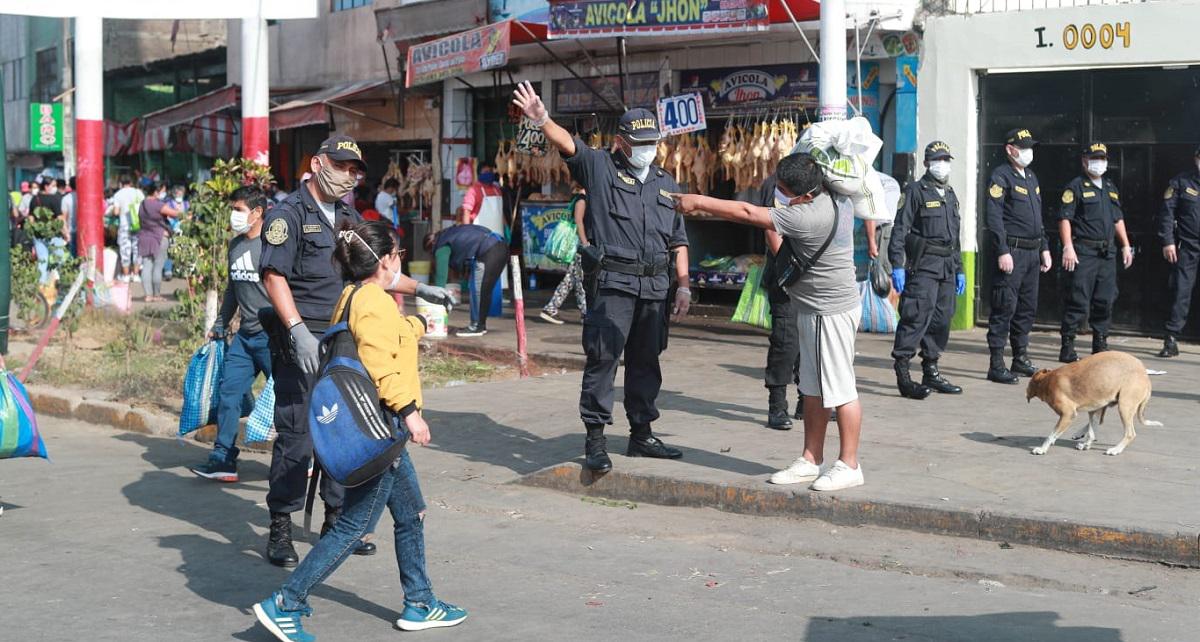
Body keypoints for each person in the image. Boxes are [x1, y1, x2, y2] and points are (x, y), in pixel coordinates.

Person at [252, 220, 467, 641]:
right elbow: (381, 366)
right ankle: (287, 602)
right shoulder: (374, 301)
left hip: (378, 428)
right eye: (398, 255)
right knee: (353, 526)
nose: (398, 261)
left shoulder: (354, 295)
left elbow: (386, 340)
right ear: (386, 260)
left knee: (411, 513)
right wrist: (410, 414)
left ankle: (420, 602)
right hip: (381, 427)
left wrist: (421, 323)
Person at [258, 135, 459, 568]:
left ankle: (336, 520)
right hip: (302, 340)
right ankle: (281, 525)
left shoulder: (350, 218)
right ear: (317, 163)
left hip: (345, 341)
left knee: (345, 432)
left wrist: (421, 287)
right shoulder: (288, 215)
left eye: (355, 169)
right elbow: (273, 276)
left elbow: (377, 273)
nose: (349, 174)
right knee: (298, 436)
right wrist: (296, 330)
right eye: (342, 165)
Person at [513, 81, 692, 472]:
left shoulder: (665, 183)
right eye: (640, 142)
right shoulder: (600, 168)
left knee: (647, 363)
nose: (648, 149)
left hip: (656, 289)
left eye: (652, 141)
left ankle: (641, 436)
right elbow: (568, 145)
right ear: (620, 142)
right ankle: (595, 440)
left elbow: (678, 239)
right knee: (603, 361)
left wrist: (683, 285)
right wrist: (542, 118)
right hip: (613, 286)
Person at [674, 154, 865, 492]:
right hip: (813, 308)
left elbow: (747, 213)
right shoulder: (836, 194)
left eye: (783, 190)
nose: (778, 193)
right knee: (812, 387)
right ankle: (810, 458)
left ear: (805, 195)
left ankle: (850, 464)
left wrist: (699, 201)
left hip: (829, 312)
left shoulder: (807, 216)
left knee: (840, 389)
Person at [190, 186, 274, 482]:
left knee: (289, 401)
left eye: (238, 209)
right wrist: (221, 323)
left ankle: (305, 458)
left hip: (274, 338)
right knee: (229, 394)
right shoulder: (235, 245)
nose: (233, 215)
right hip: (245, 337)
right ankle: (223, 458)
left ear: (257, 212)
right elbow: (232, 291)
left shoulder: (272, 246)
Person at [889, 141, 966, 400]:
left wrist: (959, 269)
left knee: (942, 319)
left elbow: (954, 237)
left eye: (946, 159)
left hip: (946, 265)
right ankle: (903, 374)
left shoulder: (951, 194)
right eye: (937, 159)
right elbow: (900, 229)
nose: (942, 164)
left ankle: (930, 370)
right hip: (923, 265)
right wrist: (897, 265)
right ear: (926, 164)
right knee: (916, 317)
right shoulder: (915, 191)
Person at [984, 128, 1052, 384]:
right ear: (1010, 149)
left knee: (1027, 308)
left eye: (1029, 147)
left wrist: (1044, 247)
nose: (1027, 151)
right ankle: (996, 363)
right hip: (1012, 251)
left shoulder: (1031, 177)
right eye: (1023, 147)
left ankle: (1020, 357)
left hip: (1033, 252)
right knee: (1005, 307)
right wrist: (1002, 250)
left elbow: (1038, 219)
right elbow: (994, 217)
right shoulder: (1001, 176)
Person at [1057, 142, 1134, 362]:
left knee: (1106, 299)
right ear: (1084, 161)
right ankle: (1067, 345)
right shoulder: (1076, 187)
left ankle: (1100, 344)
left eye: (1102, 159)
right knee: (1078, 299)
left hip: (1107, 253)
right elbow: (1065, 218)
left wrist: (1126, 245)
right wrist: (1068, 247)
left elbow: (1117, 219)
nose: (1098, 162)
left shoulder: (1110, 187)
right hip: (1084, 251)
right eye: (1094, 158)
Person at [758, 175, 802, 430]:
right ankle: (777, 405)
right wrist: (790, 267)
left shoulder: (817, 183)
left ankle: (807, 402)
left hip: (812, 277)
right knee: (786, 341)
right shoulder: (778, 185)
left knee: (809, 342)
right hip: (786, 275)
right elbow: (772, 229)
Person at [1156, 145, 1200, 358]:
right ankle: (1171, 339)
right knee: (1181, 292)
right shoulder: (1181, 182)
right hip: (1188, 246)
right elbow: (1166, 214)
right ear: (1196, 158)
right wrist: (1168, 242)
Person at [425, 223, 507, 337]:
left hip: (489, 250)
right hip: (499, 246)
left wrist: (436, 300)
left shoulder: (441, 244)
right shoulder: (451, 232)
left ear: (431, 244)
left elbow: (441, 277)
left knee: (479, 289)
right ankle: (480, 325)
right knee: (480, 289)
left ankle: (476, 326)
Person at [540, 185, 589, 324]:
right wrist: (585, 243)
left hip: (578, 246)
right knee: (579, 280)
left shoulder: (579, 199)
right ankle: (585, 313)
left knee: (571, 279)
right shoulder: (581, 200)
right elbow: (579, 222)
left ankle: (551, 308)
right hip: (578, 246)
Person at [135, 181, 179, 302]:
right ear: (155, 192)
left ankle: (148, 295)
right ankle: (156, 295)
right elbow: (175, 214)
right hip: (159, 238)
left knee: (146, 266)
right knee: (158, 267)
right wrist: (179, 209)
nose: (163, 193)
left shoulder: (142, 204)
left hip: (144, 237)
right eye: (162, 191)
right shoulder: (157, 204)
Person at [110, 176, 143, 282]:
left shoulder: (118, 194)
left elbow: (115, 212)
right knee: (137, 249)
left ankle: (126, 275)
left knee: (125, 250)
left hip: (124, 225)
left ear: (121, 183)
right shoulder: (138, 193)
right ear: (131, 182)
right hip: (137, 224)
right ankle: (136, 275)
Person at [459, 164, 504, 232]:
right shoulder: (473, 190)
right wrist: (467, 231)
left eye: (490, 171)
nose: (488, 173)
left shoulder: (497, 190)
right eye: (486, 172)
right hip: (479, 234)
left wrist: (505, 226)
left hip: (497, 232)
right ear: (479, 174)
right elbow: (466, 212)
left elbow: (500, 211)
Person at [61, 177, 76, 254]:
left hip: (71, 231)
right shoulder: (84, 197)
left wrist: (65, 232)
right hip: (83, 231)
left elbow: (63, 217)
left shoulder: (66, 199)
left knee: (71, 255)